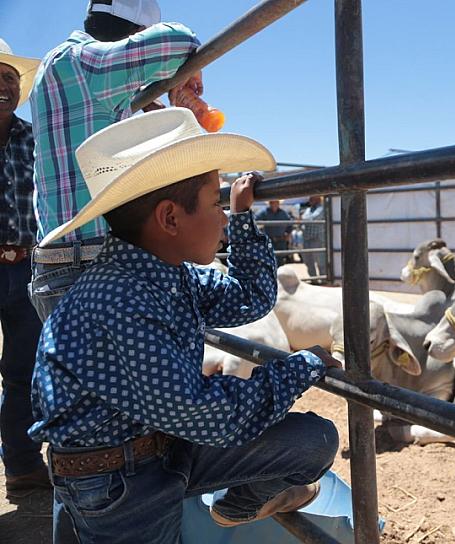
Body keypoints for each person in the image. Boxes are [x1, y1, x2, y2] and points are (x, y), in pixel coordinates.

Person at [29, 108, 340, 542]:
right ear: (170, 218)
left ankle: (236, 507)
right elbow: (210, 417)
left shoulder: (171, 274)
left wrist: (245, 221)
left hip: (159, 448)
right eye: (216, 203)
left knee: (313, 439)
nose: (223, 218)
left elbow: (250, 299)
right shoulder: (120, 299)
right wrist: (303, 366)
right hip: (114, 482)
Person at [28, 0, 201, 321]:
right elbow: (180, 40)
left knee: (78, 370)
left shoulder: (58, 67)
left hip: (60, 264)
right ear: (136, 34)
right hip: (92, 264)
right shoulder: (86, 64)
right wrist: (184, 71)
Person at [0, 38, 51, 498]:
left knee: (21, 370)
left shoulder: (33, 137)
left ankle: (20, 465)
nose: (3, 86)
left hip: (24, 265)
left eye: (9, 78)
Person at [255, 199, 293, 264]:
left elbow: (290, 224)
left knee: (280, 260)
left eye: (276, 202)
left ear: (278, 203)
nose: (274, 204)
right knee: (269, 259)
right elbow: (254, 220)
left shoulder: (283, 213)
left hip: (281, 240)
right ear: (269, 203)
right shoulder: (264, 212)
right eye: (272, 202)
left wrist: (288, 234)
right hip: (269, 240)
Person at [301, 195, 327, 282]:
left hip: (317, 239)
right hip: (307, 238)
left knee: (321, 262)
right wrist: (303, 219)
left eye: (312, 197)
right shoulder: (309, 209)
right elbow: (305, 218)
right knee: (308, 261)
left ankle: (323, 280)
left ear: (318, 199)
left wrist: (303, 219)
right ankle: (314, 280)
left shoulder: (322, 208)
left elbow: (313, 218)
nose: (310, 199)